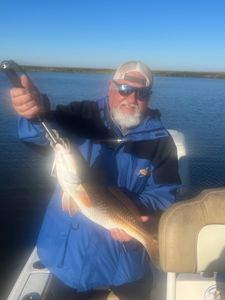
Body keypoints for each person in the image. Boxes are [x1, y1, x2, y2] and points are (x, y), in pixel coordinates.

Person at [10, 61, 181, 300]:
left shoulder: (161, 143)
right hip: (69, 260)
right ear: (110, 87)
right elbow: (42, 134)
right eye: (124, 89)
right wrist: (34, 115)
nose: (131, 98)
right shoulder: (80, 115)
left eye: (141, 93)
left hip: (125, 260)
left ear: (149, 97)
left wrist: (139, 213)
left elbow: (164, 192)